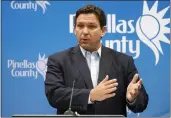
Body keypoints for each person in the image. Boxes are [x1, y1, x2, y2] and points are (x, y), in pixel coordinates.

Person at [45, 4, 148, 116]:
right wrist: (91, 95)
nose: (84, 31)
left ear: (103, 31)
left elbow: (142, 103)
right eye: (80, 26)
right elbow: (54, 95)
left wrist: (132, 98)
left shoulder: (123, 61)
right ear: (74, 29)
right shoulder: (58, 60)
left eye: (91, 26)